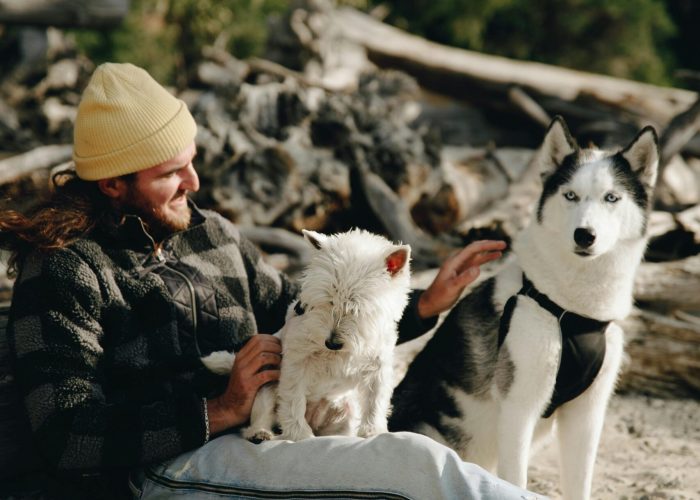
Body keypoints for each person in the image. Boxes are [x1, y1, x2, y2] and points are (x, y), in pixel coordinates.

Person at [0, 63, 542, 500]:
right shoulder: (64, 268)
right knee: (409, 469)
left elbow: (306, 319)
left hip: (262, 435)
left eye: (190, 162)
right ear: (114, 183)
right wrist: (220, 410)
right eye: (169, 172)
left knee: (414, 460)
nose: (194, 181)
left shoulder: (210, 233)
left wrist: (425, 302)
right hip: (161, 470)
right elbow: (66, 436)